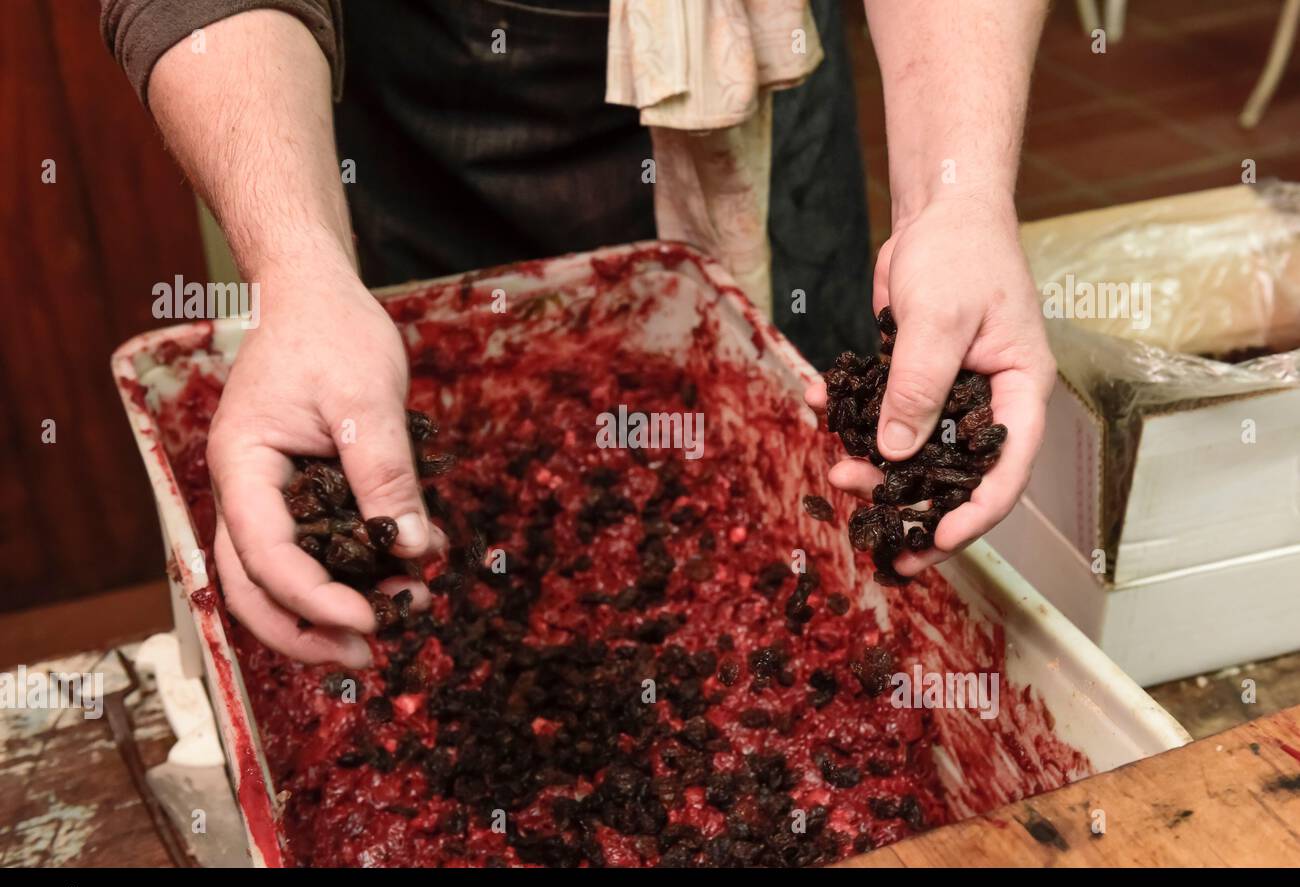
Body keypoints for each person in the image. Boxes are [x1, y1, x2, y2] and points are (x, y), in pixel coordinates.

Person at [101, 0, 1055, 668]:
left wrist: (957, 198)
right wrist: (301, 273)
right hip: (434, 107)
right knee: (442, 541)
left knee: (818, 513)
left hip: (753, 74)